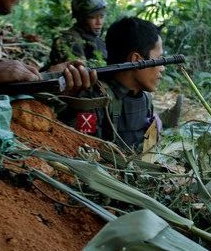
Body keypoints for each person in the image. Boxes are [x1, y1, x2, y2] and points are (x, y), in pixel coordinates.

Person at [67, 16, 164, 152]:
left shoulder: (145, 97)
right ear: (136, 60)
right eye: (159, 59)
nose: (163, 67)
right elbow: (82, 150)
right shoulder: (93, 100)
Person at [48, 0, 108, 66]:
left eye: (101, 16)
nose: (99, 22)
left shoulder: (98, 40)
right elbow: (78, 71)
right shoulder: (69, 40)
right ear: (81, 18)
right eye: (92, 17)